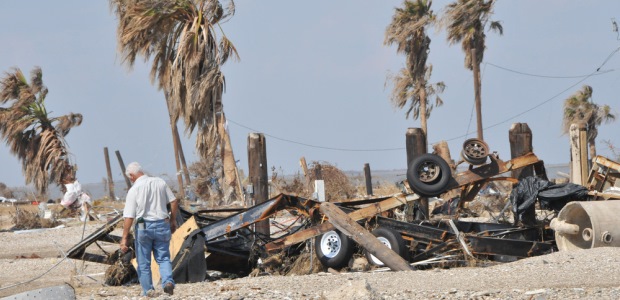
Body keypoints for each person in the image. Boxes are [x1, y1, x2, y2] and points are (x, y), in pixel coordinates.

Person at [120, 162, 178, 297]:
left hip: (143, 225)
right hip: (162, 223)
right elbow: (174, 201)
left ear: (131, 176)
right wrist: (173, 220)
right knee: (163, 257)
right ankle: (168, 282)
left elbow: (129, 216)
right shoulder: (160, 182)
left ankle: (148, 290)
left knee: (144, 261)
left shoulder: (134, 189)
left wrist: (124, 237)